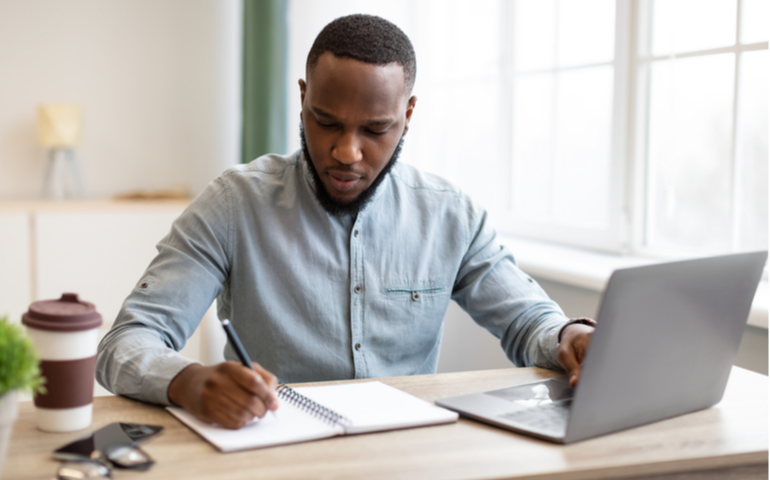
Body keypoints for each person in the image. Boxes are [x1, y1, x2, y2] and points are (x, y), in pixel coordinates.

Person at [96, 14, 595, 430]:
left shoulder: (449, 215)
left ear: (408, 112)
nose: (346, 152)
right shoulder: (234, 205)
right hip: (275, 455)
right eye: (326, 121)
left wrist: (570, 335)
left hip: (405, 457)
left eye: (376, 129)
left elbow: (531, 323)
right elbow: (126, 342)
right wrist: (188, 381)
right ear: (302, 97)